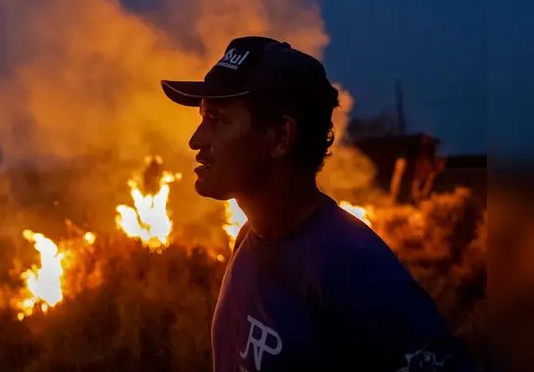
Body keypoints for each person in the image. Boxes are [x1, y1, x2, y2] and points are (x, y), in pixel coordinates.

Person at [161, 36, 477, 372]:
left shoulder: (353, 268)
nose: (196, 140)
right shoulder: (250, 239)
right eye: (202, 118)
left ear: (281, 136)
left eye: (217, 120)